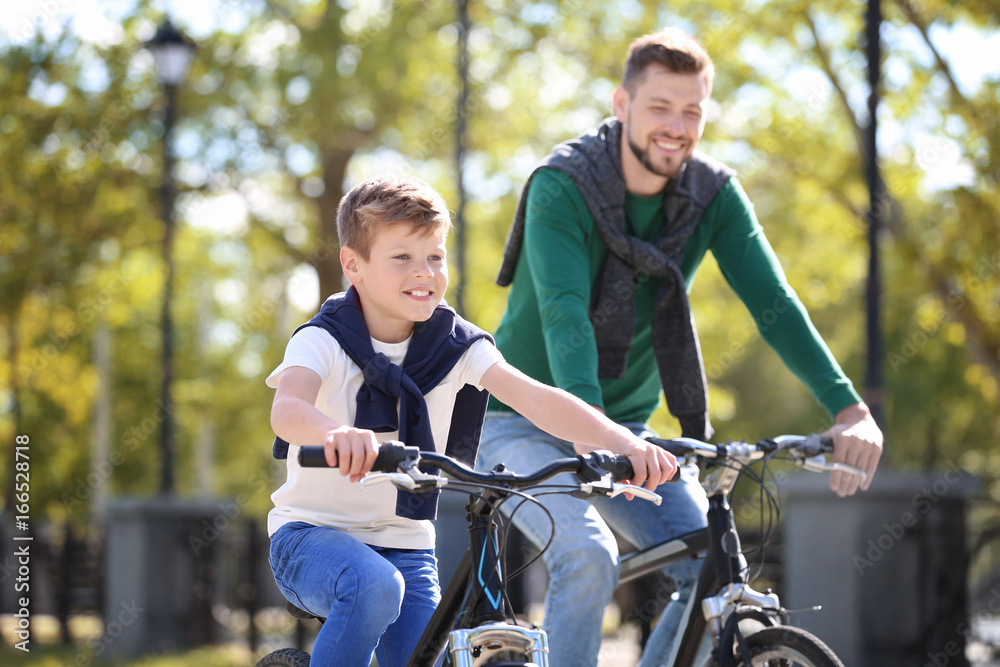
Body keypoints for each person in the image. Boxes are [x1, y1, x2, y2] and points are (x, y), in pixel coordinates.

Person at [476, 28, 884, 666]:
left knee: (709, 563)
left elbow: (775, 307)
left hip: (629, 431)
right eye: (660, 106)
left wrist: (848, 407)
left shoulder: (712, 195)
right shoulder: (561, 185)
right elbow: (564, 316)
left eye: (692, 110)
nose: (677, 125)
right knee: (587, 557)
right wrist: (592, 431)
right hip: (517, 421)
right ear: (621, 105)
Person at [264, 174, 676, 666]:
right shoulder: (322, 339)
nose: (424, 273)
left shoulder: (455, 344)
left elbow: (537, 399)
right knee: (375, 585)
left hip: (406, 546)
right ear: (354, 265)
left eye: (435, 257)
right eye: (402, 258)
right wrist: (337, 435)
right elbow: (288, 410)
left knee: (423, 648)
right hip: (310, 536)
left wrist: (621, 442)